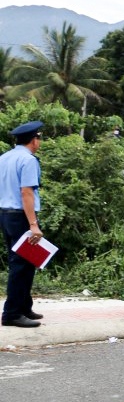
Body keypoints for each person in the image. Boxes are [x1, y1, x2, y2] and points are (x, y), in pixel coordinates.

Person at [1, 121, 46, 328]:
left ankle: (24, 307)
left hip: (5, 214)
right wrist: (33, 224)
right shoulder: (28, 160)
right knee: (21, 265)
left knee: (26, 262)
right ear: (34, 140)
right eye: (39, 138)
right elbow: (26, 192)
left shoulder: (4, 158)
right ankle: (11, 314)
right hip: (21, 217)